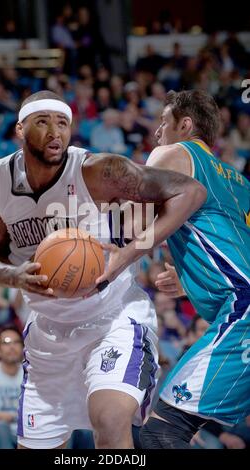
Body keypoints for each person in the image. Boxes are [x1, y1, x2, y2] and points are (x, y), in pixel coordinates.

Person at [0, 90, 206, 449]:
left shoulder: (98, 170)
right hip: (47, 335)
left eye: (62, 123)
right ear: (19, 129)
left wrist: (126, 257)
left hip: (113, 320)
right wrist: (13, 276)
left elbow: (189, 193)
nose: (55, 131)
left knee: (110, 422)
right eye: (42, 122)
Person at [136, 89, 250, 448]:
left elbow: (132, 216)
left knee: (160, 433)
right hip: (240, 301)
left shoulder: (174, 152)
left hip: (244, 311)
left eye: (163, 122)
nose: (157, 132)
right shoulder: (241, 183)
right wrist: (191, 280)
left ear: (185, 125)